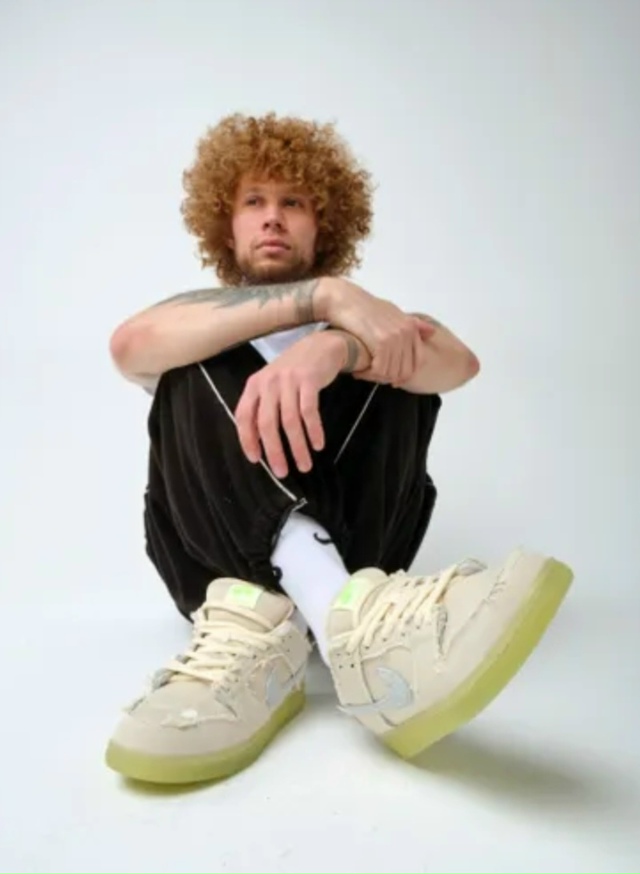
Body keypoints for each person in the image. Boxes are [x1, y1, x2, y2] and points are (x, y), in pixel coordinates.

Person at [105, 112, 573, 785]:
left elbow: (458, 364)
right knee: (189, 365)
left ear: (322, 224)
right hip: (212, 567)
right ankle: (354, 631)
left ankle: (307, 629)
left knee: (397, 361)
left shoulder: (373, 321)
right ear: (226, 225)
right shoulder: (196, 320)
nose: (273, 217)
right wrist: (324, 296)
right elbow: (130, 346)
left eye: (293, 202)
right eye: (254, 201)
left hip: (363, 541)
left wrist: (338, 347)